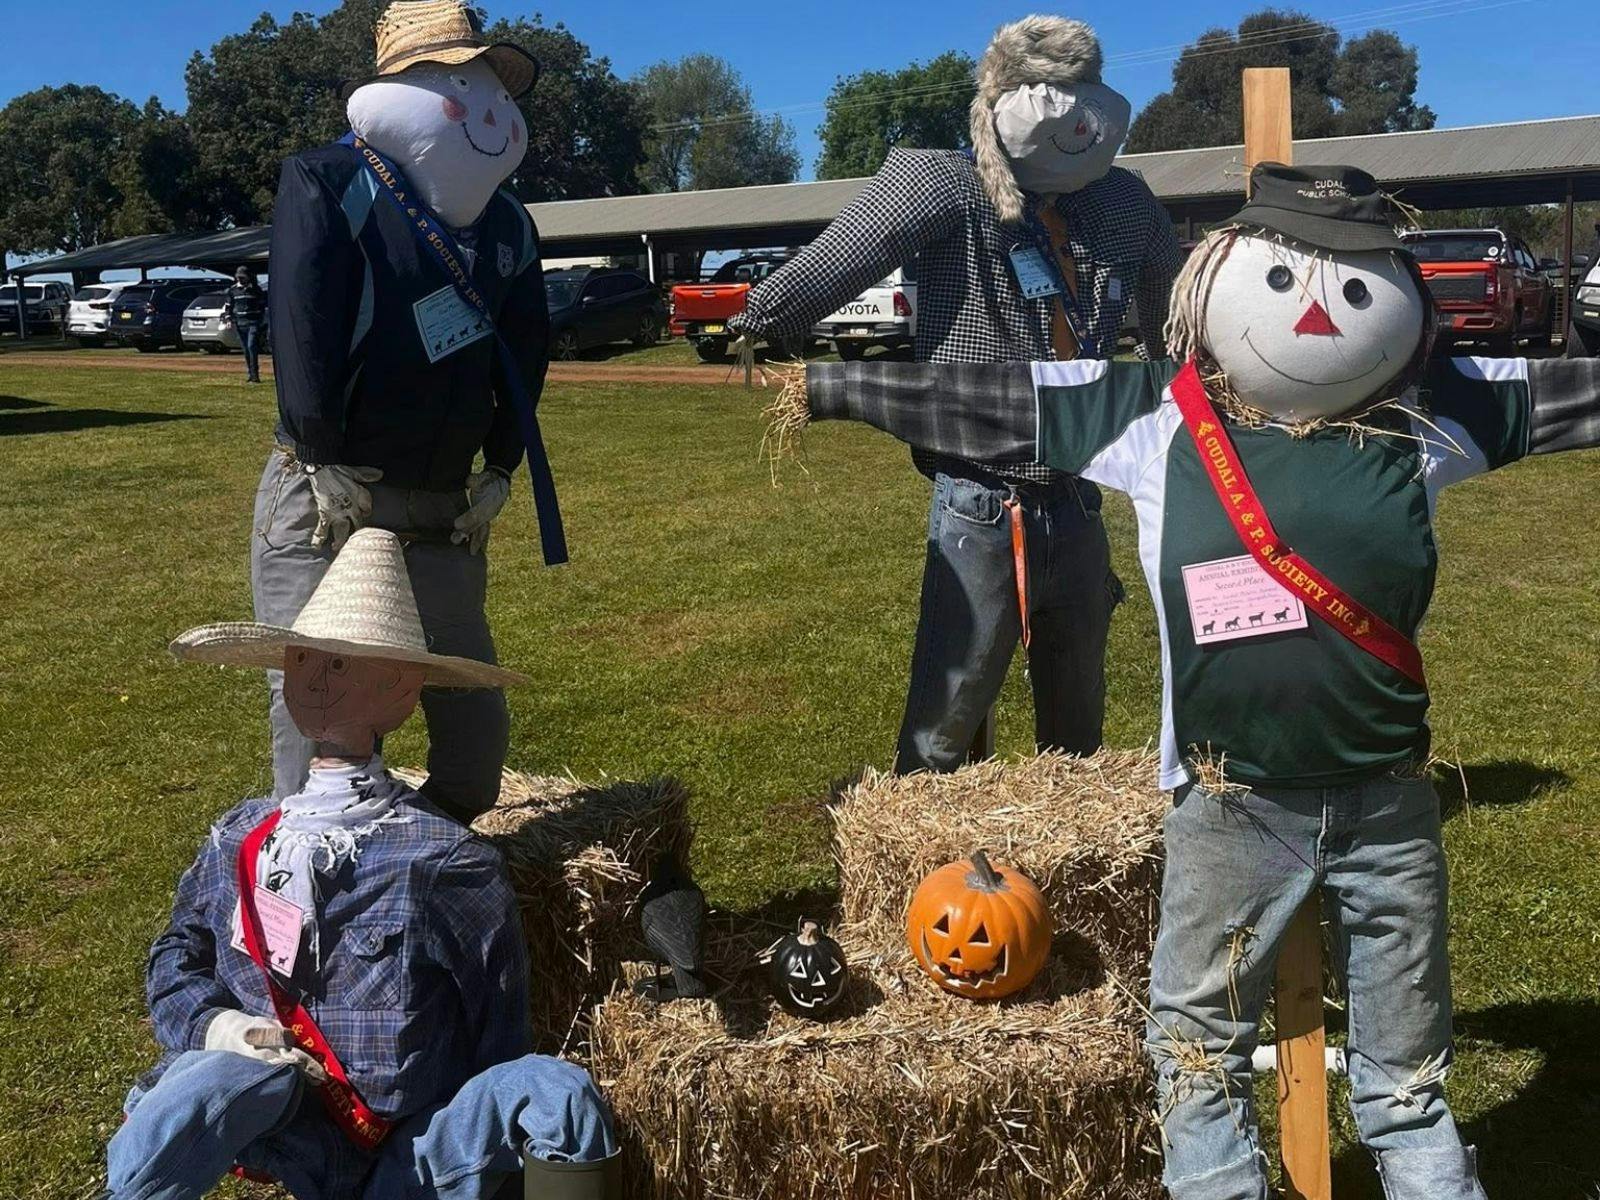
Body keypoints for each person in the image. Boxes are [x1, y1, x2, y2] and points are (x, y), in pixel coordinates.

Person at [781, 163, 1600, 1199]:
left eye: (1353, 288)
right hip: (1227, 805)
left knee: (1400, 1086)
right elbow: (990, 401)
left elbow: (1567, 393)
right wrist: (829, 386)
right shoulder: (1156, 418)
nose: (1313, 311)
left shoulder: (1425, 416)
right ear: (1212, 283)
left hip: (1386, 803)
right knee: (1204, 1055)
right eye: (1287, 280)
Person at [105, 528, 621, 1200]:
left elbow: (498, 1023)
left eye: (341, 664)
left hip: (417, 1146)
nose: (316, 677)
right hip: (289, 1128)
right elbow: (177, 955)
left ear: (400, 690)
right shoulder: (239, 836)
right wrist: (220, 1026)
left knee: (554, 1094)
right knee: (216, 1081)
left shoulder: (444, 863)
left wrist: (488, 1131)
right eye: (302, 659)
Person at [731, 15, 1182, 773]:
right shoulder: (948, 187)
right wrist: (762, 315)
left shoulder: (1125, 203)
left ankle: (1063, 879)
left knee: (1079, 730)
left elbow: (1174, 310)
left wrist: (1202, 376)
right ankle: (928, 873)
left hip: (1079, 495)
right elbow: (850, 250)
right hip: (982, 497)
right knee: (946, 718)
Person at [257, 0, 564, 824]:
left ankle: (419, 871)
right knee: (323, 724)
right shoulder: (327, 182)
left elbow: (525, 345)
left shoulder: (507, 223)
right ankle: (311, 891)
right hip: (333, 498)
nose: (485, 108)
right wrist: (318, 450)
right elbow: (303, 323)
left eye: (488, 83)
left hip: (442, 502)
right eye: (455, 83)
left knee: (472, 738)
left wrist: (501, 463)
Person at [225, 265, 267, 383]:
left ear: (248, 277)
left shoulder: (256, 290)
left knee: (251, 346)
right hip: (240, 323)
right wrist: (228, 319)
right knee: (245, 349)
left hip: (253, 322)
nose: (240, 280)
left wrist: (260, 319)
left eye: (242, 277)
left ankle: (255, 375)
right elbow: (229, 307)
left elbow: (262, 306)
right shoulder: (232, 290)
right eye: (238, 277)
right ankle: (250, 374)